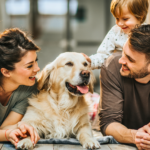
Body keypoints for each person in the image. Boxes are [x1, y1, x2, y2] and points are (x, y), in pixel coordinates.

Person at [99, 24, 150, 150]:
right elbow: (108, 123)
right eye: (123, 52)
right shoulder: (112, 67)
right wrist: (136, 136)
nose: (121, 61)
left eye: (130, 59)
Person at [0, 28, 40, 147]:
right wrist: (7, 134)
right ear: (6, 72)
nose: (37, 69)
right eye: (29, 66)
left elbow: (5, 127)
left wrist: (21, 126)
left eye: (36, 61)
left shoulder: (29, 88)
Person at [90, 0, 149, 70]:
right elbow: (103, 55)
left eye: (125, 19)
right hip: (119, 76)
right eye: (117, 18)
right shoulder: (115, 32)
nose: (120, 23)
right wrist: (88, 62)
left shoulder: (147, 33)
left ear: (140, 15)